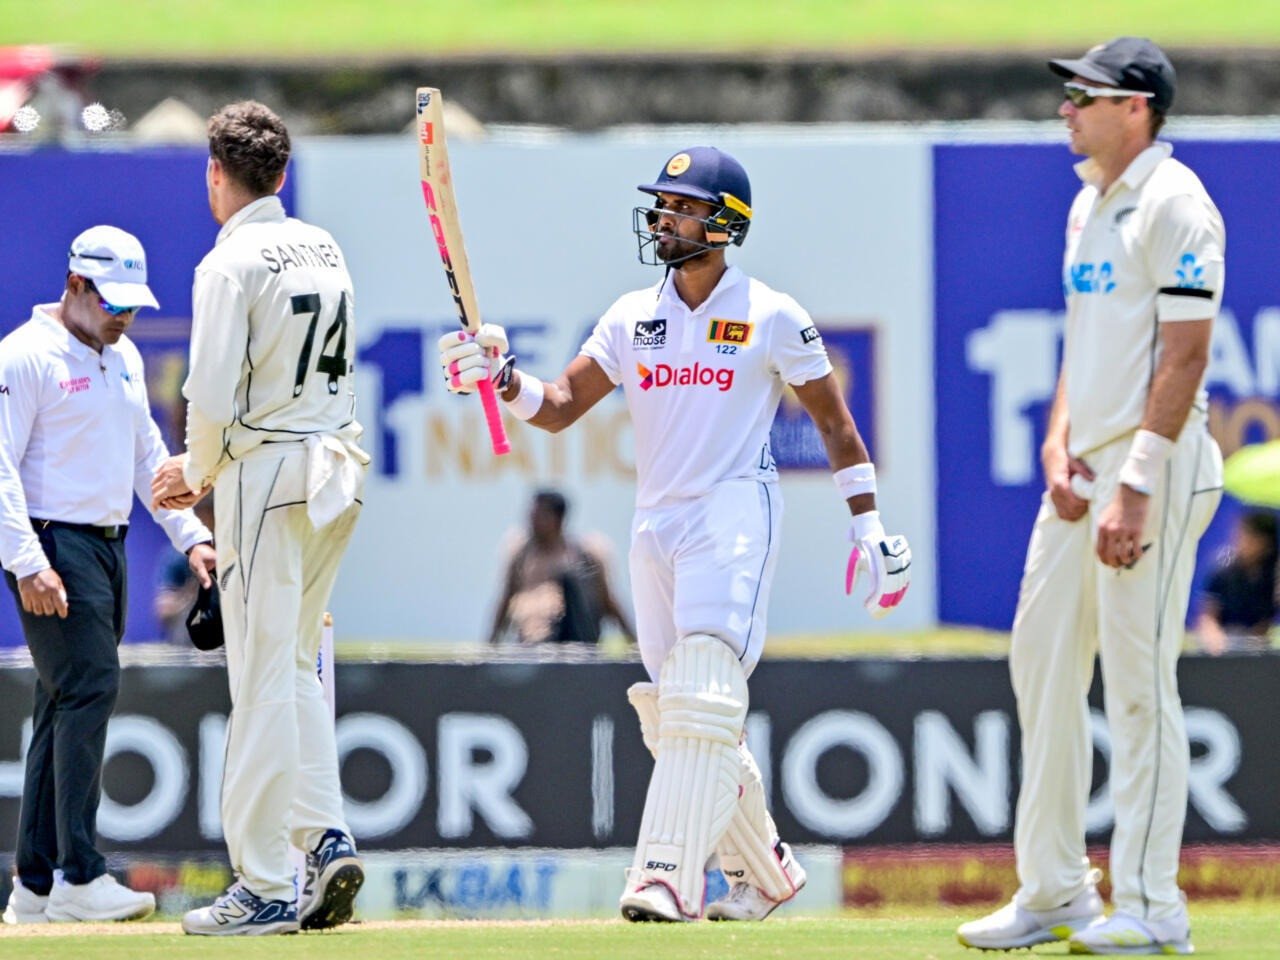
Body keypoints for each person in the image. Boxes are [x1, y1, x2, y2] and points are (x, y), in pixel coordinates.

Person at [438, 146, 911, 922]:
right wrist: (503, 378)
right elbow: (557, 406)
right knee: (678, 714)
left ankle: (663, 873)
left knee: (701, 690)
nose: (663, 218)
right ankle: (765, 871)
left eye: (680, 206)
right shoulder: (632, 315)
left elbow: (835, 423)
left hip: (732, 513)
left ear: (724, 223)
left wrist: (871, 527)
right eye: (661, 204)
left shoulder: (772, 314)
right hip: (655, 522)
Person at [957, 38, 1224, 956]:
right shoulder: (1087, 205)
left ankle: (1153, 908)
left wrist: (1136, 481)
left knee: (1140, 685)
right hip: (1082, 471)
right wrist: (1057, 438)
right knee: (1040, 663)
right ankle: (1056, 890)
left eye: (1085, 95)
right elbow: (1084, 343)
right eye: (1067, 94)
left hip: (1155, 467)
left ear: (1137, 106)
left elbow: (1185, 357)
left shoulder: (1177, 205)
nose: (1066, 109)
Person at [150, 101, 369, 936]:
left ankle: (264, 882)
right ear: (281, 176)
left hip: (267, 475)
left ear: (217, 174)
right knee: (293, 670)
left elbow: (206, 392)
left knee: (261, 682)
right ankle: (325, 837)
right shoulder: (325, 245)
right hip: (336, 470)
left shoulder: (228, 262)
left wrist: (194, 474)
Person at [0, 226, 216, 924]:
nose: (123, 316)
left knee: (61, 702)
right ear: (75, 287)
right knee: (90, 688)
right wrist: (28, 561)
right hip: (53, 543)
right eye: (111, 301)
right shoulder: (25, 356)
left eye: (132, 304)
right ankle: (78, 873)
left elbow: (146, 457)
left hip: (107, 546)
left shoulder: (120, 359)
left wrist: (193, 535)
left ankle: (33, 887)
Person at [489, 489, 636, 647]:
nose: (533, 523)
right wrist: (491, 644)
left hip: (578, 644)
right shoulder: (521, 554)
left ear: (558, 519)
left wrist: (633, 641)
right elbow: (506, 600)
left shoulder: (585, 554)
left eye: (540, 516)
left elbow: (608, 601)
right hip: (532, 644)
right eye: (532, 516)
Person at [1195, 510, 1277, 653]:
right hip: (1223, 643)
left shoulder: (1272, 574)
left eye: (1250, 537)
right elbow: (1208, 616)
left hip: (1259, 647)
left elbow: (1266, 620)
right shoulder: (1223, 569)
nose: (1241, 540)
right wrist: (1216, 641)